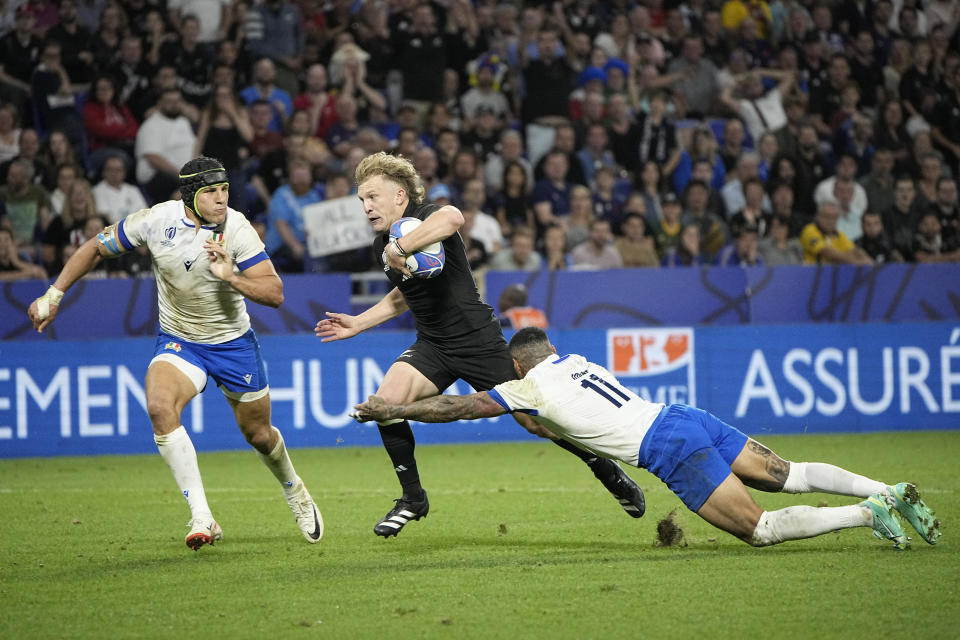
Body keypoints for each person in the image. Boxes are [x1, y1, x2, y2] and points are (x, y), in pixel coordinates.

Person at [353, 327, 941, 551]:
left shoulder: (528, 384)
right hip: (682, 415)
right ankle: (889, 487)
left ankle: (869, 512)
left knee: (759, 529)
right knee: (788, 471)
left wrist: (392, 409)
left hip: (668, 450)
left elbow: (459, 405)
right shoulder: (576, 361)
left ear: (518, 363)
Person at [314, 152, 646, 538]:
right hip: (433, 345)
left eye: (372, 196)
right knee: (385, 403)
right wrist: (359, 322)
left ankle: (603, 467)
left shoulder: (428, 216)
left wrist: (401, 249)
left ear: (400, 196)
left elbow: (454, 217)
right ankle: (412, 497)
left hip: (479, 341)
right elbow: (404, 295)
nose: (366, 206)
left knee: (536, 420)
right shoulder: (381, 245)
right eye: (361, 200)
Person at [27, 156, 323, 551]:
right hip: (180, 341)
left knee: (258, 434)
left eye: (225, 190)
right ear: (189, 195)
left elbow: (275, 293)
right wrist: (54, 294)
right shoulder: (155, 221)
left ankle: (294, 489)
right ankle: (202, 516)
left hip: (233, 345)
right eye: (211, 192)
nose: (221, 200)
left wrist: (230, 275)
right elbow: (96, 249)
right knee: (159, 407)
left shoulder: (236, 228)